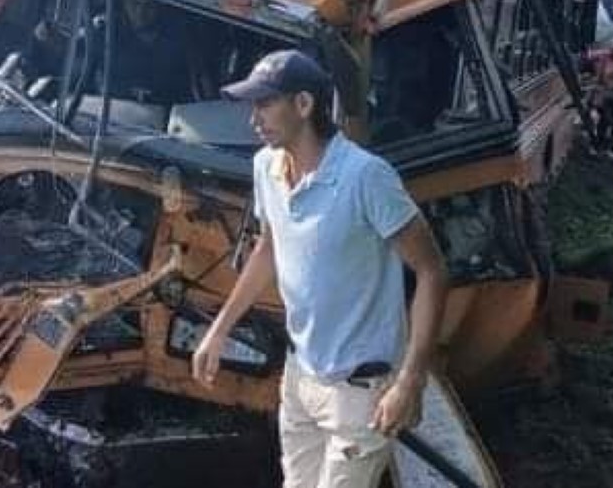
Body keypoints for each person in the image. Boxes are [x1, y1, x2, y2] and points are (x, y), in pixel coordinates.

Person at [192, 50, 448, 488]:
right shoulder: (266, 167)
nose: (254, 119)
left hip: (361, 389)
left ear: (304, 105)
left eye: (265, 104)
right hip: (300, 377)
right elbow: (269, 248)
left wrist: (410, 380)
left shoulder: (366, 177)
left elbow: (432, 272)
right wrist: (219, 329)